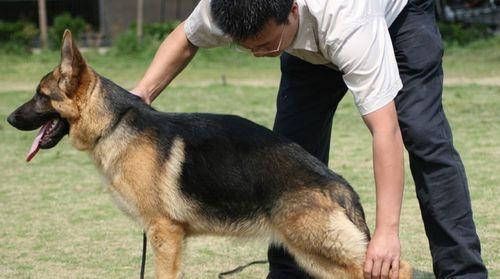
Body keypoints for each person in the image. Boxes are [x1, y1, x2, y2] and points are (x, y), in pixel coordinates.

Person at [131, 0, 488, 278]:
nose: (261, 54)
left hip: (398, 19)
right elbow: (186, 38)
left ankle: (463, 271)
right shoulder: (228, 9)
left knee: (426, 138)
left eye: (267, 44)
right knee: (285, 158)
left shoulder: (350, 24)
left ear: (292, 9)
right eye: (249, 48)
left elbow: (385, 130)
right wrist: (142, 95)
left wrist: (386, 234)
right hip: (306, 46)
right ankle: (290, 273)